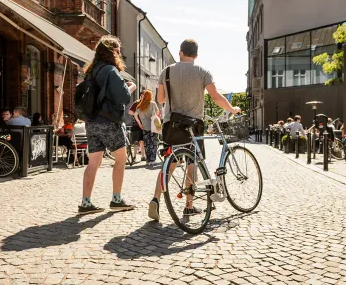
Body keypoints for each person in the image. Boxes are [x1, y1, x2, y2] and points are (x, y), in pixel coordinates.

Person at [148, 39, 240, 221]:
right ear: (196, 56)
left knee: (170, 163)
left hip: (171, 124)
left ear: (180, 52)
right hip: (194, 125)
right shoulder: (202, 72)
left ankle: (156, 199)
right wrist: (232, 109)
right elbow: (215, 97)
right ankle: (188, 206)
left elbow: (160, 99)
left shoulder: (166, 71)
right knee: (192, 164)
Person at [79, 35, 136, 214]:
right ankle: (116, 199)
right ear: (113, 52)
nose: (120, 54)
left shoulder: (91, 71)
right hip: (109, 122)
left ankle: (85, 203)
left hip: (91, 121)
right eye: (119, 51)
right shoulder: (111, 70)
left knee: (93, 162)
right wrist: (131, 87)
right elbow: (124, 97)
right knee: (121, 158)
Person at [135, 90, 161, 165]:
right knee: (153, 143)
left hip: (144, 127)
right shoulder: (152, 103)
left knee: (147, 143)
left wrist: (139, 123)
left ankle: (148, 160)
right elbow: (157, 112)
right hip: (153, 127)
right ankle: (152, 160)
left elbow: (135, 114)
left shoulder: (140, 105)